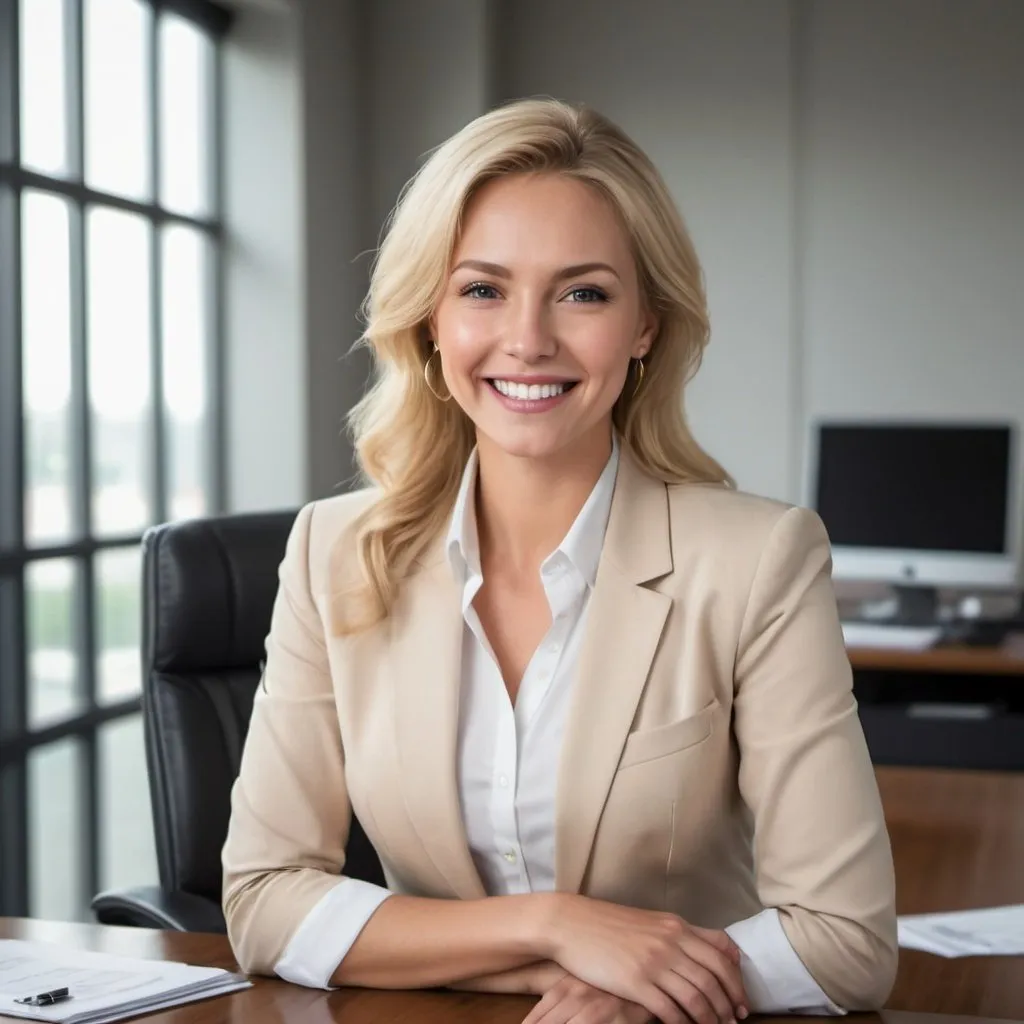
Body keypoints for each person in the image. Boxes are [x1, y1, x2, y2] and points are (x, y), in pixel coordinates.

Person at [221, 98, 897, 1024]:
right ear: (429, 318)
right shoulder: (334, 552)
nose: (529, 339)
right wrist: (556, 930)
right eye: (483, 289)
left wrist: (641, 996)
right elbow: (263, 901)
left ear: (646, 325)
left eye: (582, 292)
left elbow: (846, 944)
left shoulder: (757, 561)